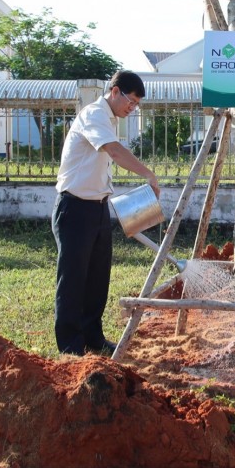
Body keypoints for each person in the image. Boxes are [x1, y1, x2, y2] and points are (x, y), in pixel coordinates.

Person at [52, 70, 160, 356]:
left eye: (136, 105)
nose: (132, 108)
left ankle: (93, 336)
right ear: (115, 92)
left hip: (98, 208)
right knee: (73, 278)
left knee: (98, 278)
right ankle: (70, 346)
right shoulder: (94, 114)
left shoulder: (110, 119)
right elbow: (113, 151)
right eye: (131, 101)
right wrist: (148, 173)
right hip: (74, 207)